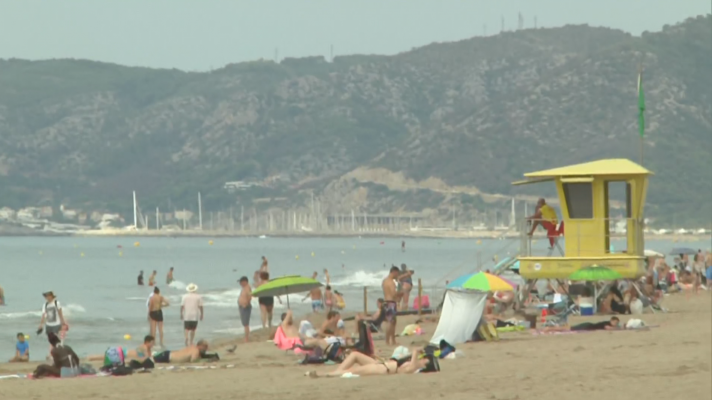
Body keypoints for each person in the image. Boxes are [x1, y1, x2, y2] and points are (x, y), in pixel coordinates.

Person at [305, 347, 432, 377]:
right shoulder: (413, 364)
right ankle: (335, 371)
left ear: (426, 364)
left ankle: (324, 375)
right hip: (381, 364)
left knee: (351, 371)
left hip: (382, 369)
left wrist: (415, 352)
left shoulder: (413, 367)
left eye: (425, 359)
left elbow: (408, 369)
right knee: (355, 355)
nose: (423, 357)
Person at [37, 291, 68, 356]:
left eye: (48, 296)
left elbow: (60, 313)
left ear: (52, 296)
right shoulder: (45, 305)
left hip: (56, 324)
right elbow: (44, 315)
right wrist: (41, 324)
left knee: (55, 338)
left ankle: (54, 353)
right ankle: (54, 353)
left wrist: (63, 322)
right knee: (50, 340)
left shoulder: (56, 303)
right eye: (46, 296)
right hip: (48, 325)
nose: (47, 297)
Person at [382, 266, 403, 345]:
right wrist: (400, 294)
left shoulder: (384, 281)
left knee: (392, 321)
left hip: (386, 302)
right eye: (397, 273)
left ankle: (392, 340)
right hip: (391, 302)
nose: (397, 275)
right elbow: (393, 294)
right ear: (394, 272)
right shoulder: (391, 282)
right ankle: (388, 340)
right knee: (390, 322)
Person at [238, 276, 252, 342]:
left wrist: (246, 304)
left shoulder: (247, 288)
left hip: (245, 307)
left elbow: (249, 297)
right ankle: (246, 337)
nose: (240, 284)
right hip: (242, 306)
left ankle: (246, 338)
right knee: (244, 324)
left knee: (246, 324)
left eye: (241, 282)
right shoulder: (244, 288)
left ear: (244, 282)